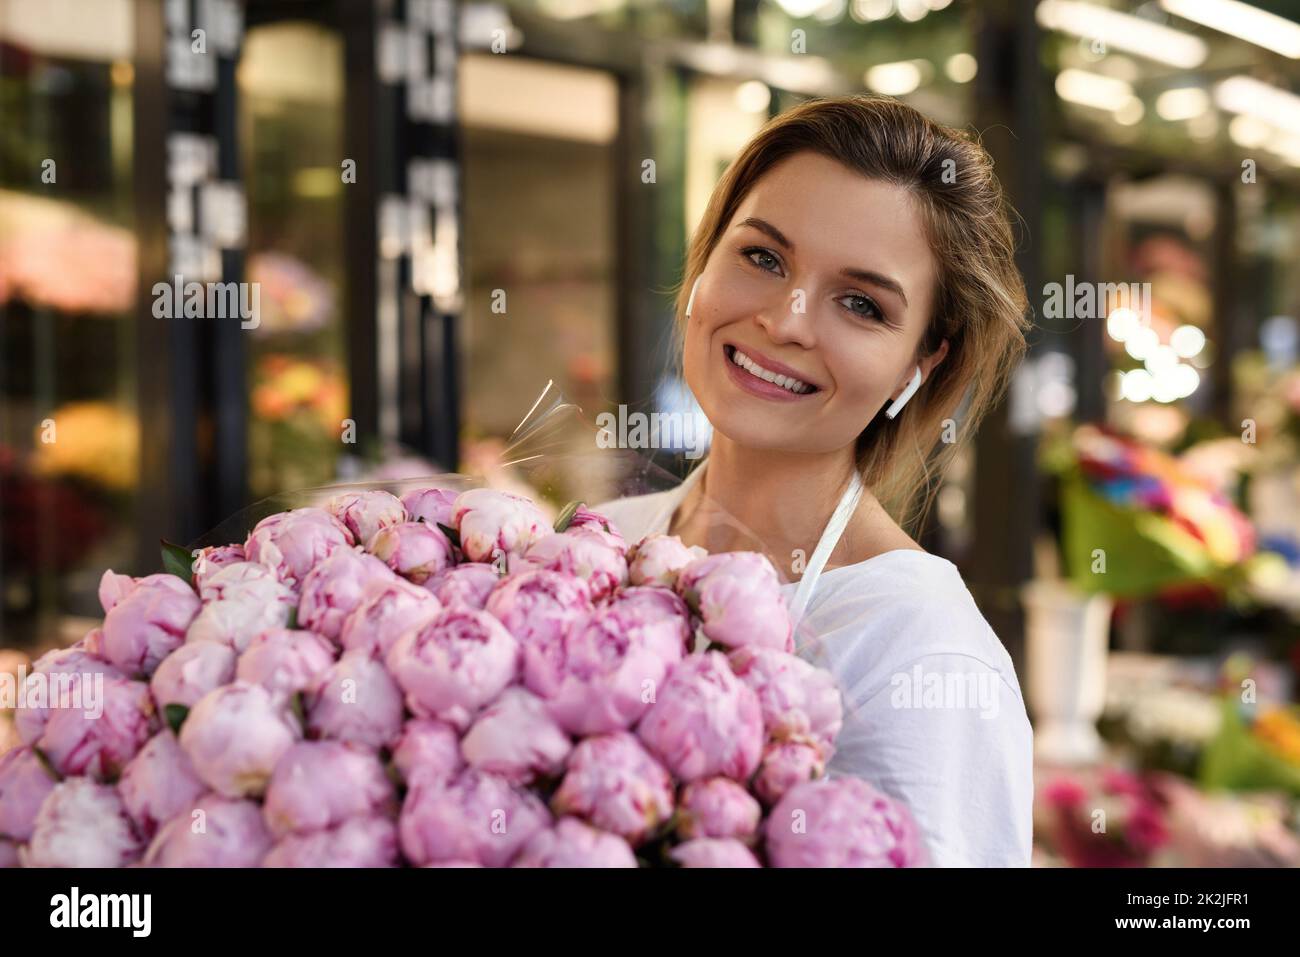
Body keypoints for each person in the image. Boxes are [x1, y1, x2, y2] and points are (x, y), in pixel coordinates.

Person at [595, 95, 1034, 866]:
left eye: (861, 304)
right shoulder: (601, 543)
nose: (789, 320)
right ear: (703, 260)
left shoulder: (921, 651)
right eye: (763, 257)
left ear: (923, 360)